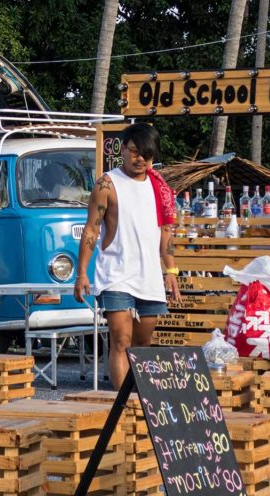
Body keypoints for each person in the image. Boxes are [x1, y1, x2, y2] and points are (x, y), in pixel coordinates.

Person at [73, 123, 181, 389]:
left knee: (143, 343)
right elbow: (91, 229)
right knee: (121, 340)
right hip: (116, 273)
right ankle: (121, 406)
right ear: (122, 149)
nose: (140, 159)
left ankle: (142, 401)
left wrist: (171, 272)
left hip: (149, 275)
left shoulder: (160, 188)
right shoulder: (107, 184)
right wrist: (82, 272)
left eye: (146, 154)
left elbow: (166, 233)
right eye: (134, 152)